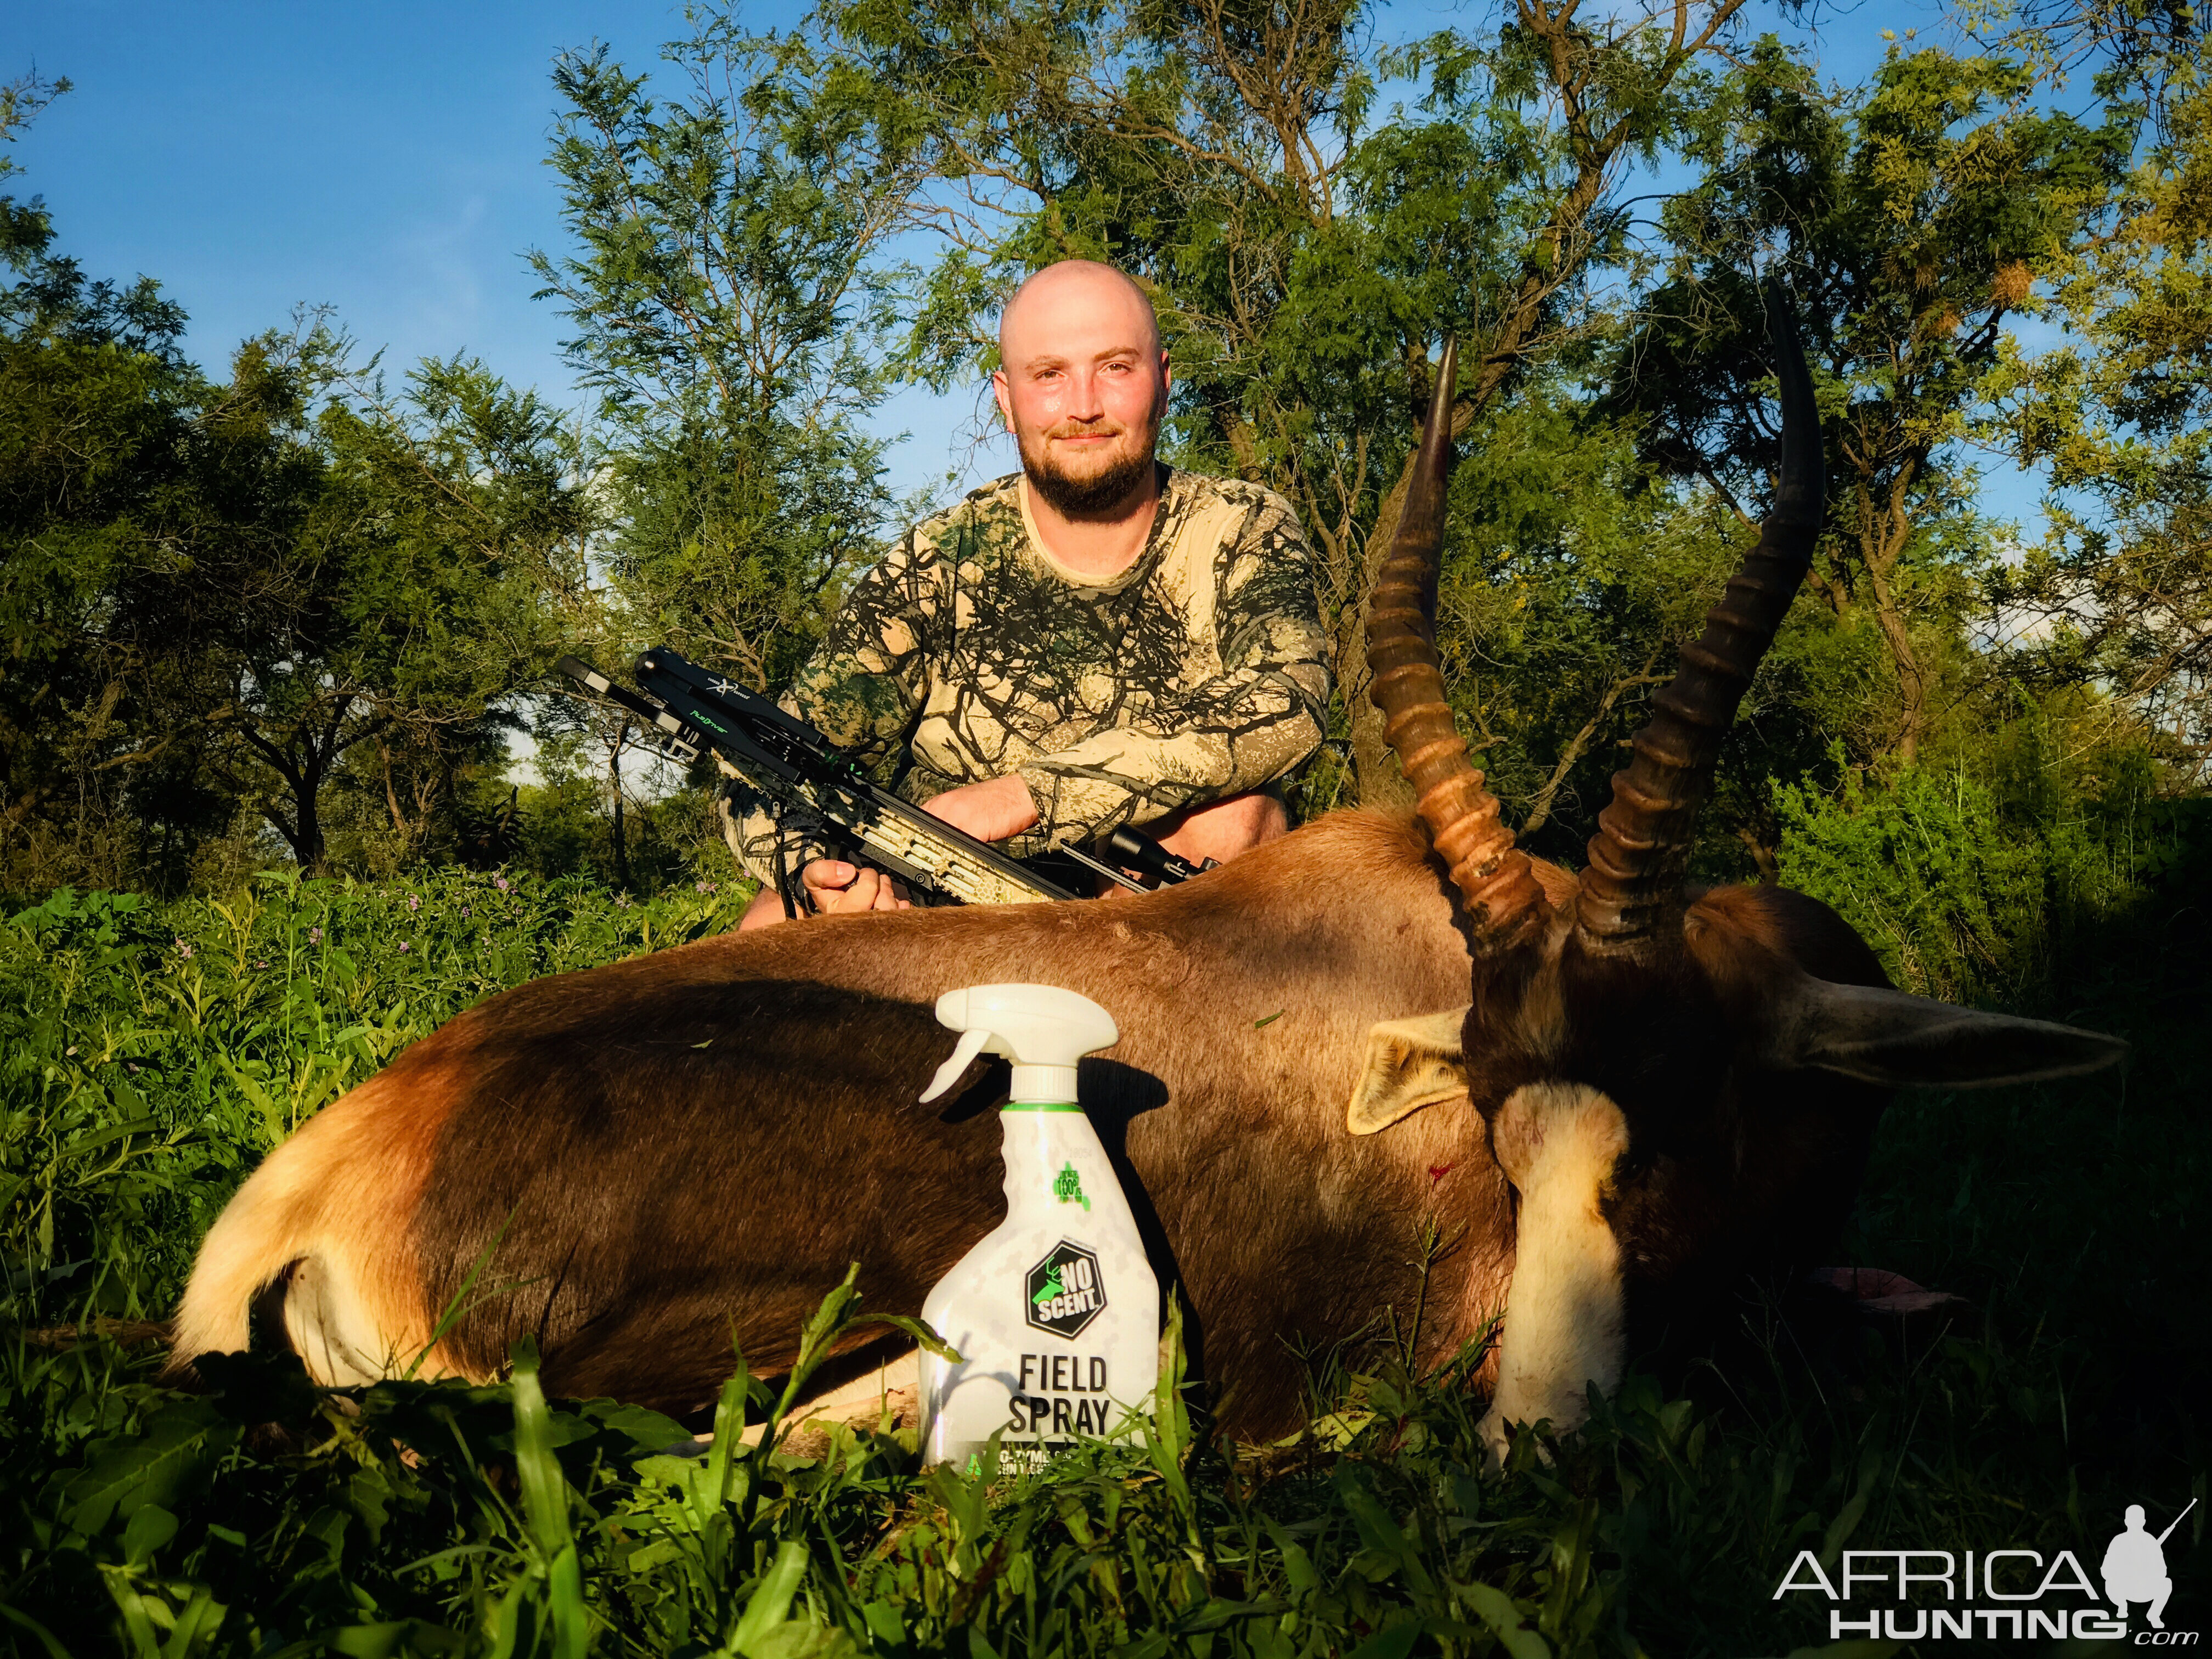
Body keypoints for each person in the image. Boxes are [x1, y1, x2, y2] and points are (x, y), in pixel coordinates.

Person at [727, 259, 1331, 928]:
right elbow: (764, 765)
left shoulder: (1241, 525)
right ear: (1006, 399)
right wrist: (815, 867)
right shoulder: (936, 561)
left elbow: (1288, 696)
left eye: (1115, 367)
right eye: (1049, 375)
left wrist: (1029, 796)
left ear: (1164, 381)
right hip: (938, 907)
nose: (1083, 407)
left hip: (1146, 904)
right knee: (770, 924)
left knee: (1237, 817)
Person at [2102, 1504, 2174, 1629]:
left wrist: (2147, 1570)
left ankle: (2154, 1615)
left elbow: (2163, 1571)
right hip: (2124, 1590)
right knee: (2109, 1583)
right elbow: (2106, 1570)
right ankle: (2122, 1606)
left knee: (2167, 1583)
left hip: (2147, 1589)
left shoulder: (2151, 1542)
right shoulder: (2118, 1541)